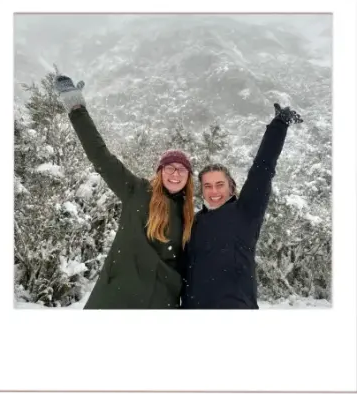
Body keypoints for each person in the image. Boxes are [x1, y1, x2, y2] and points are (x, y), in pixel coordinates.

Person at [53, 75, 195, 309]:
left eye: (182, 169)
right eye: (169, 167)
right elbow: (101, 156)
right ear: (160, 172)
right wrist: (76, 108)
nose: (175, 173)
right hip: (118, 296)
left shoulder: (190, 214)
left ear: (188, 177)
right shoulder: (136, 190)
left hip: (162, 302)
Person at [180, 103, 303, 309]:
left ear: (231, 187)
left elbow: (262, 168)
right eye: (207, 186)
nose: (214, 191)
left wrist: (279, 124)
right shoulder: (193, 221)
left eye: (220, 185)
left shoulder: (246, 211)